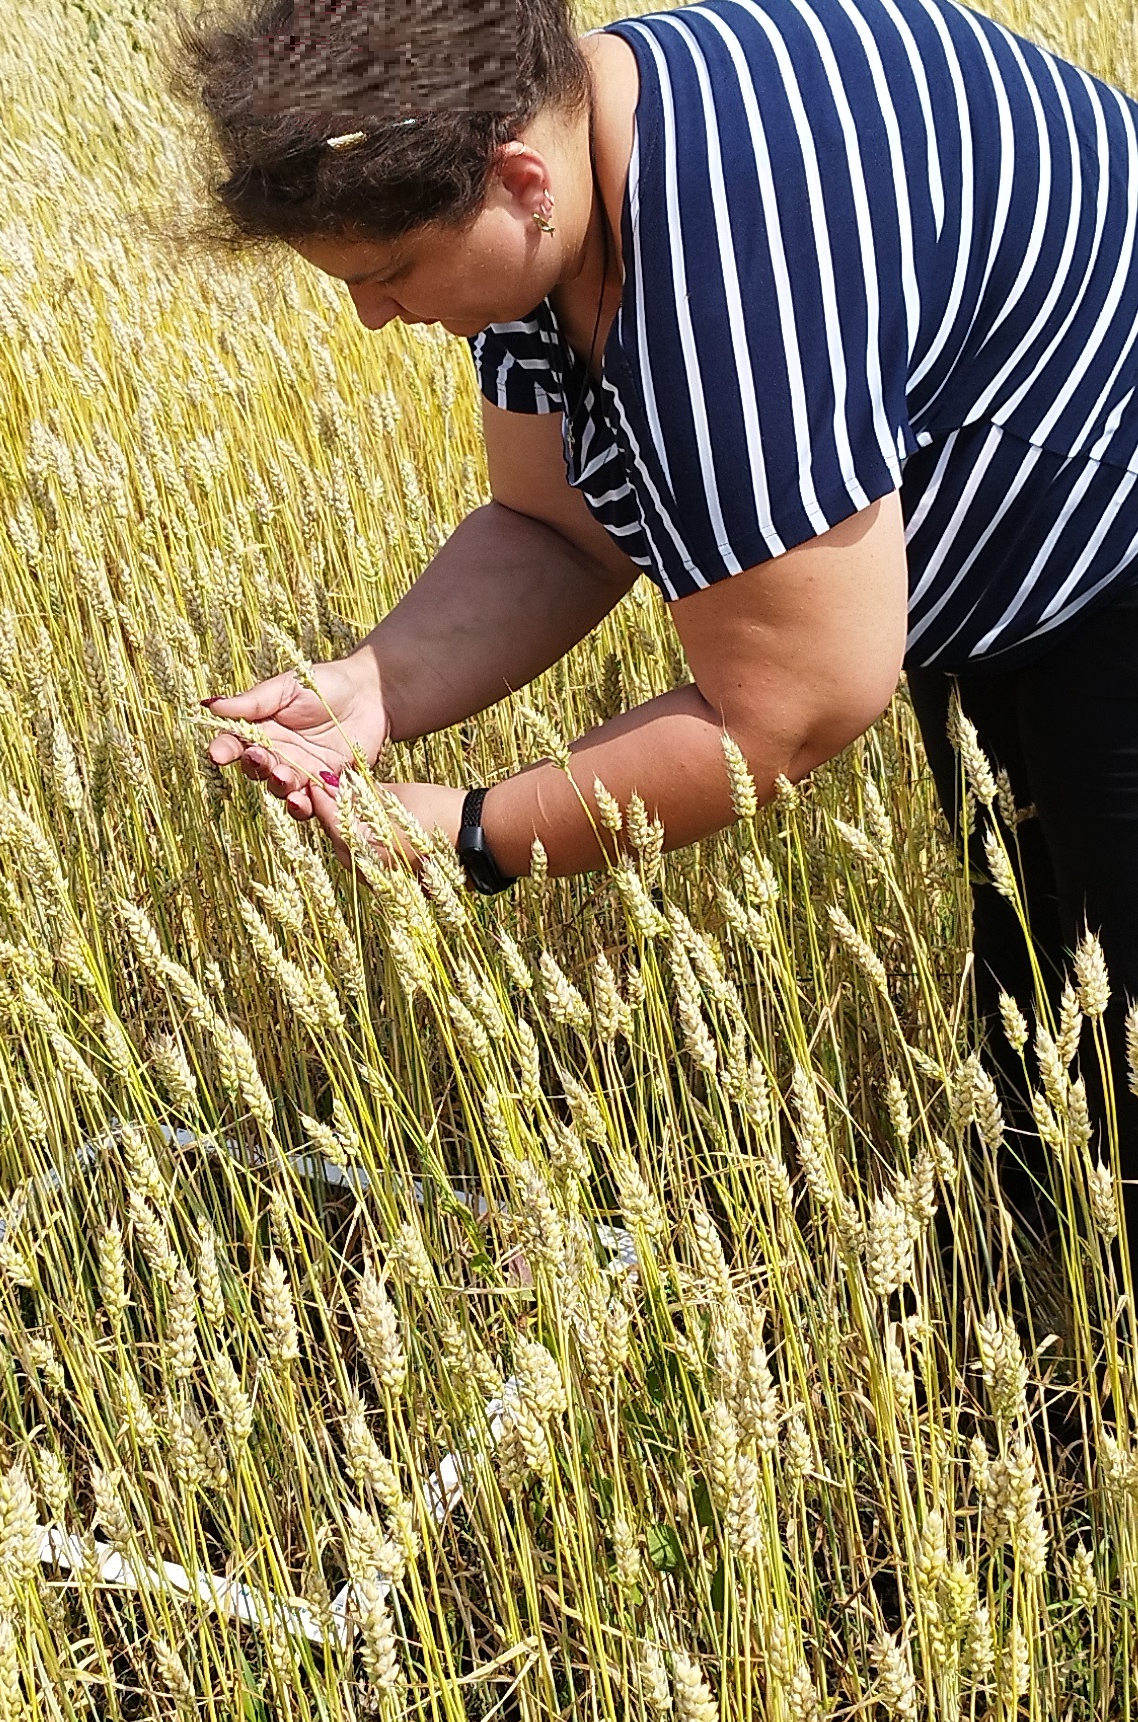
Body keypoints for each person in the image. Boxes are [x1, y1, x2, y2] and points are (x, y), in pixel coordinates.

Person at [185, 0, 1138, 1203]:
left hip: (1112, 524)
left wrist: (475, 835)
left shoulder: (733, 273)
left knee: (1118, 999)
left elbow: (789, 709)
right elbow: (557, 530)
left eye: (388, 273)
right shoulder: (556, 179)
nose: (374, 314)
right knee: (1053, 985)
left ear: (517, 177)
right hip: (1018, 557)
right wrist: (372, 686)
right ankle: (1057, 1307)